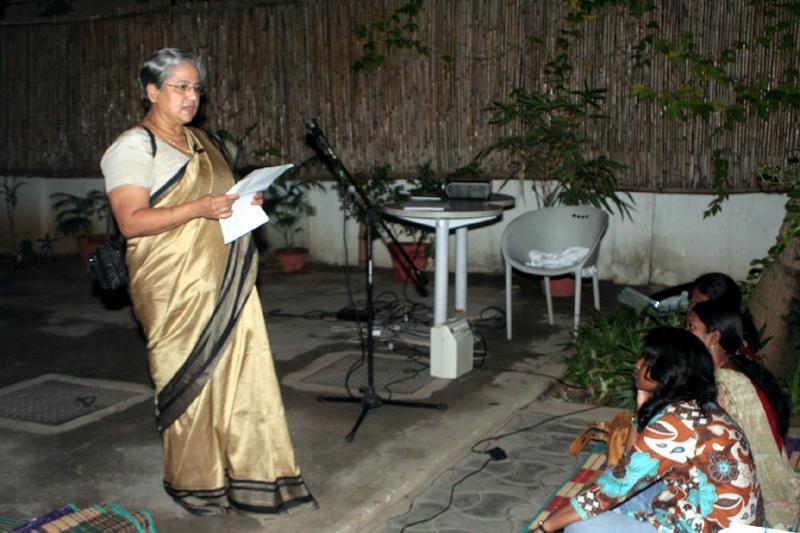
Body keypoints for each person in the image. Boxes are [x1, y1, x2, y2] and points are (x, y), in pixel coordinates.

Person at [100, 48, 315, 516]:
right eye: (180, 86)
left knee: (240, 374)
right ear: (151, 91)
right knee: (188, 380)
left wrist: (241, 200)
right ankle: (195, 483)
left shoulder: (204, 142)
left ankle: (250, 473)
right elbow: (132, 221)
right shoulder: (134, 148)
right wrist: (198, 208)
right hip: (171, 284)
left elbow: (217, 201)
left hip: (223, 278)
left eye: (196, 88)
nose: (191, 96)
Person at [534, 327, 763, 533]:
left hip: (709, 527)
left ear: (667, 372)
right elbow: (629, 463)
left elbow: (615, 487)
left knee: (581, 526)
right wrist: (641, 408)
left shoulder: (675, 424)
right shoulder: (697, 406)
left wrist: (546, 528)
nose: (637, 364)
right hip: (695, 509)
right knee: (612, 483)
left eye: (647, 360)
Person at [688, 300, 799, 529]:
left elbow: (716, 450)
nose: (685, 333)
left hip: (746, 484)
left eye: (691, 327)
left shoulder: (724, 384)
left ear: (713, 337)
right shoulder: (734, 367)